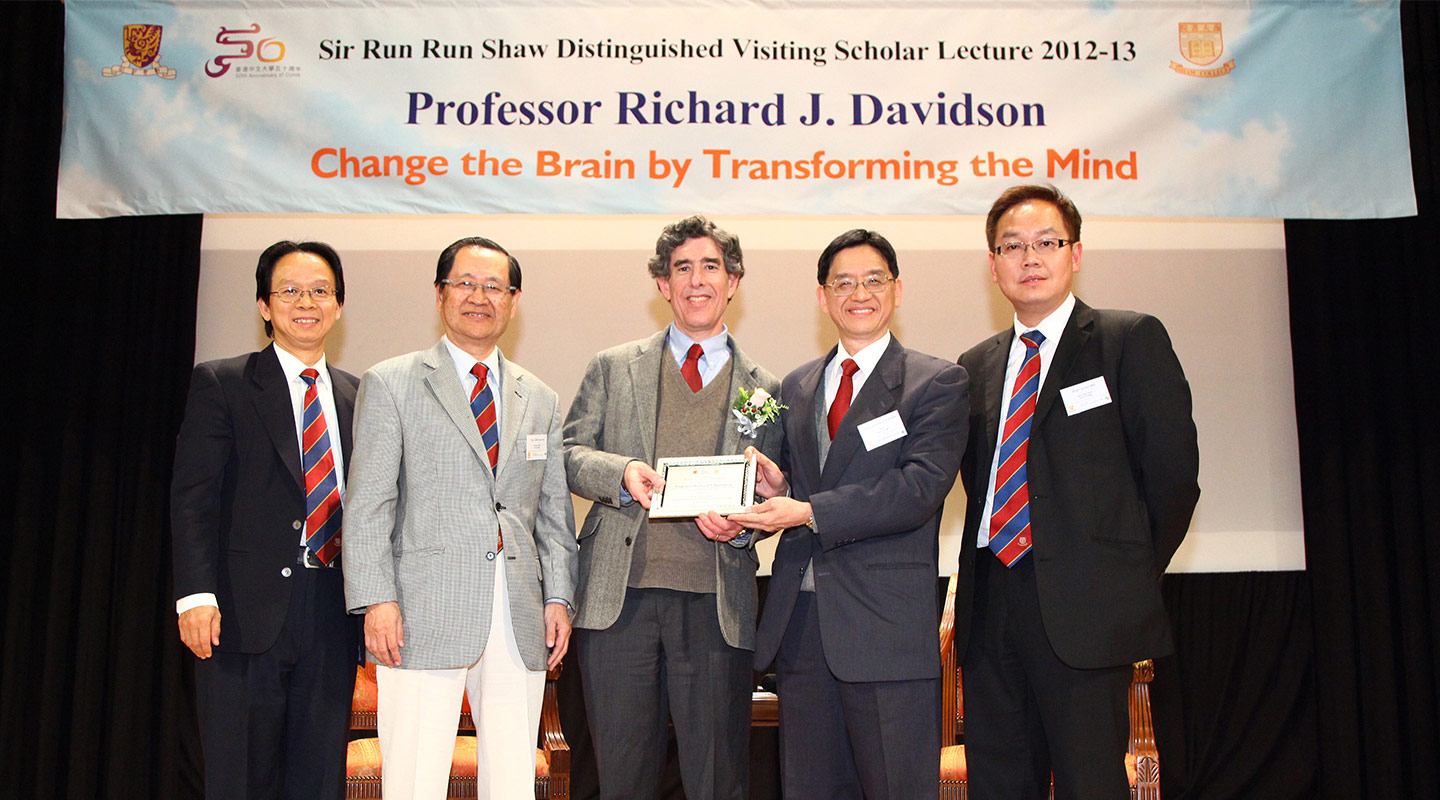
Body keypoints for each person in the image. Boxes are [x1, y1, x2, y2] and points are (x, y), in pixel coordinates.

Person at [954, 184, 1200, 799]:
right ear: (993, 265)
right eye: (1012, 246)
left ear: (1076, 253)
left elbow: (1172, 480)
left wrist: (1118, 579)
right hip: (991, 610)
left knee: (1092, 783)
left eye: (1046, 242)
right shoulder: (975, 364)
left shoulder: (1127, 339)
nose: (1029, 257)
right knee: (999, 784)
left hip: (1087, 614)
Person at [730, 229, 967, 800]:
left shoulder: (937, 382)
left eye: (873, 281)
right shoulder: (799, 385)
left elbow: (918, 489)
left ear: (897, 290)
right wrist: (776, 485)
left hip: (884, 628)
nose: (858, 293)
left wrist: (807, 509)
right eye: (843, 283)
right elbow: (799, 488)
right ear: (822, 296)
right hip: (803, 623)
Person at [342, 236, 578, 800]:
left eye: (494, 286)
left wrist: (559, 598)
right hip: (420, 611)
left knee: (514, 779)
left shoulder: (538, 397)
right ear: (441, 293)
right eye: (465, 284)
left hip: (519, 614)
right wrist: (376, 598)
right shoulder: (392, 382)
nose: (480, 297)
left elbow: (552, 512)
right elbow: (369, 502)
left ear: (514, 301)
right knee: (415, 778)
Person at [563, 215, 781, 800]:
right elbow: (568, 455)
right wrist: (620, 472)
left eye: (711, 266)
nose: (696, 280)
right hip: (618, 604)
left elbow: (764, 509)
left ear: (733, 281)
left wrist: (744, 523)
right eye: (681, 268)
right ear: (663, 284)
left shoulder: (765, 390)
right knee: (621, 777)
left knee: (716, 778)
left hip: (715, 608)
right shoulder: (613, 367)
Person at [171, 240, 360, 800]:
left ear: (339, 305)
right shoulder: (223, 383)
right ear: (263, 304)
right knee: (240, 777)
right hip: (239, 613)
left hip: (331, 611)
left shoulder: (359, 395)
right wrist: (195, 596)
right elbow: (193, 498)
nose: (307, 301)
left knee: (319, 777)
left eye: (320, 290)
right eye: (290, 290)